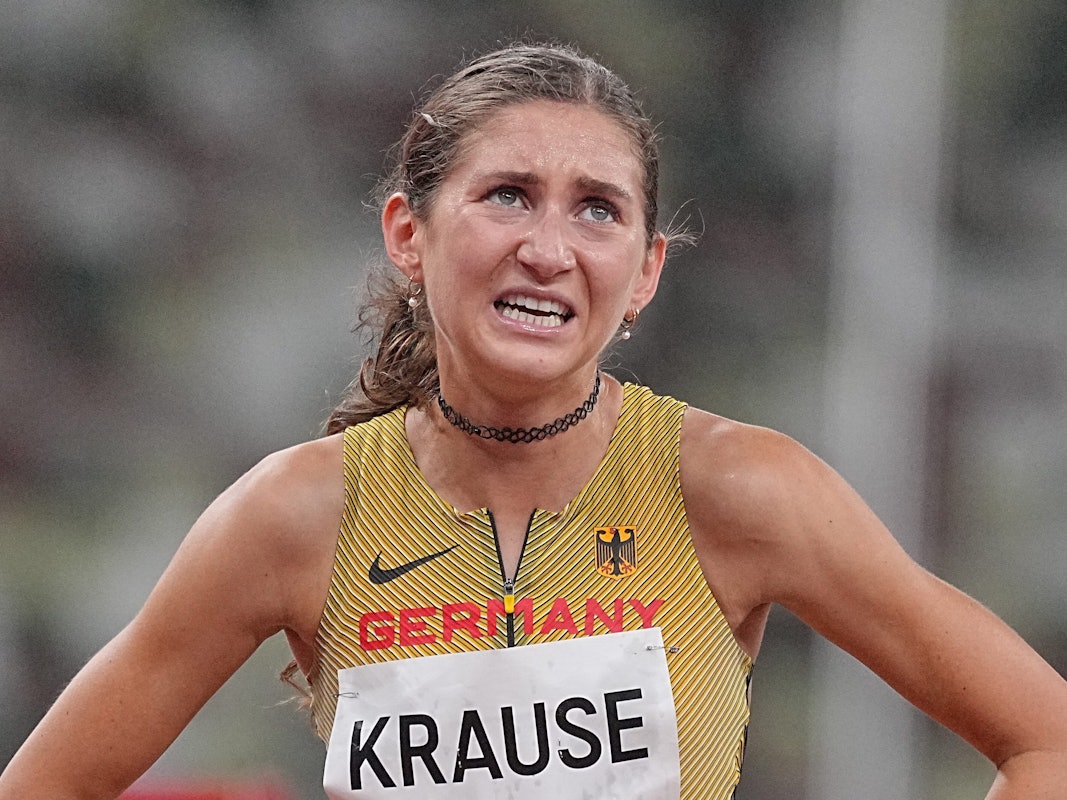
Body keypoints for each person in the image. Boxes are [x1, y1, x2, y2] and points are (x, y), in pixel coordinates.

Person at [2, 42, 1066, 800]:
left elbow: (1046, 741)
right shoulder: (294, 514)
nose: (548, 248)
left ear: (645, 272)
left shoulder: (737, 488)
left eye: (596, 208)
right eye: (507, 193)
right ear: (408, 234)